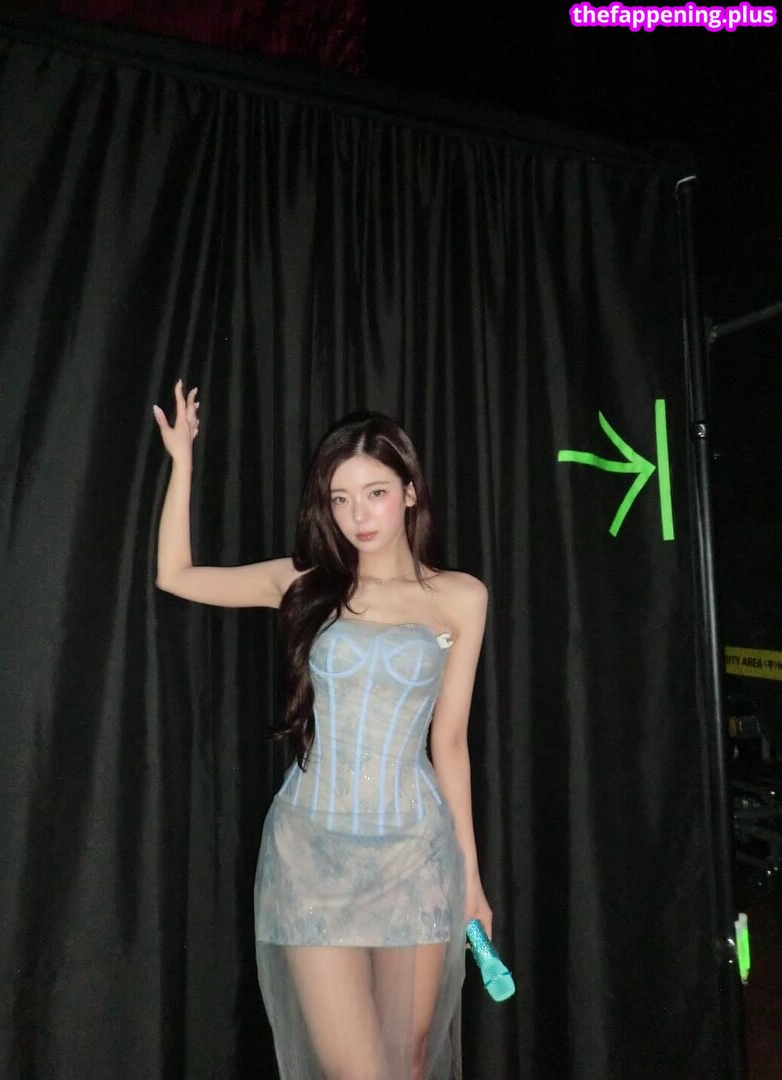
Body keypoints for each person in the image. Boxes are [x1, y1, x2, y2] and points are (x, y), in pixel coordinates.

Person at [153, 379, 492, 1080]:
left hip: (416, 858)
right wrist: (182, 461)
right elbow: (176, 575)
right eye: (339, 498)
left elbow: (450, 744)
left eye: (374, 492)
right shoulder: (301, 582)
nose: (357, 515)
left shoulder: (460, 597)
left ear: (409, 492)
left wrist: (471, 881)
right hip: (312, 857)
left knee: (407, 1066)